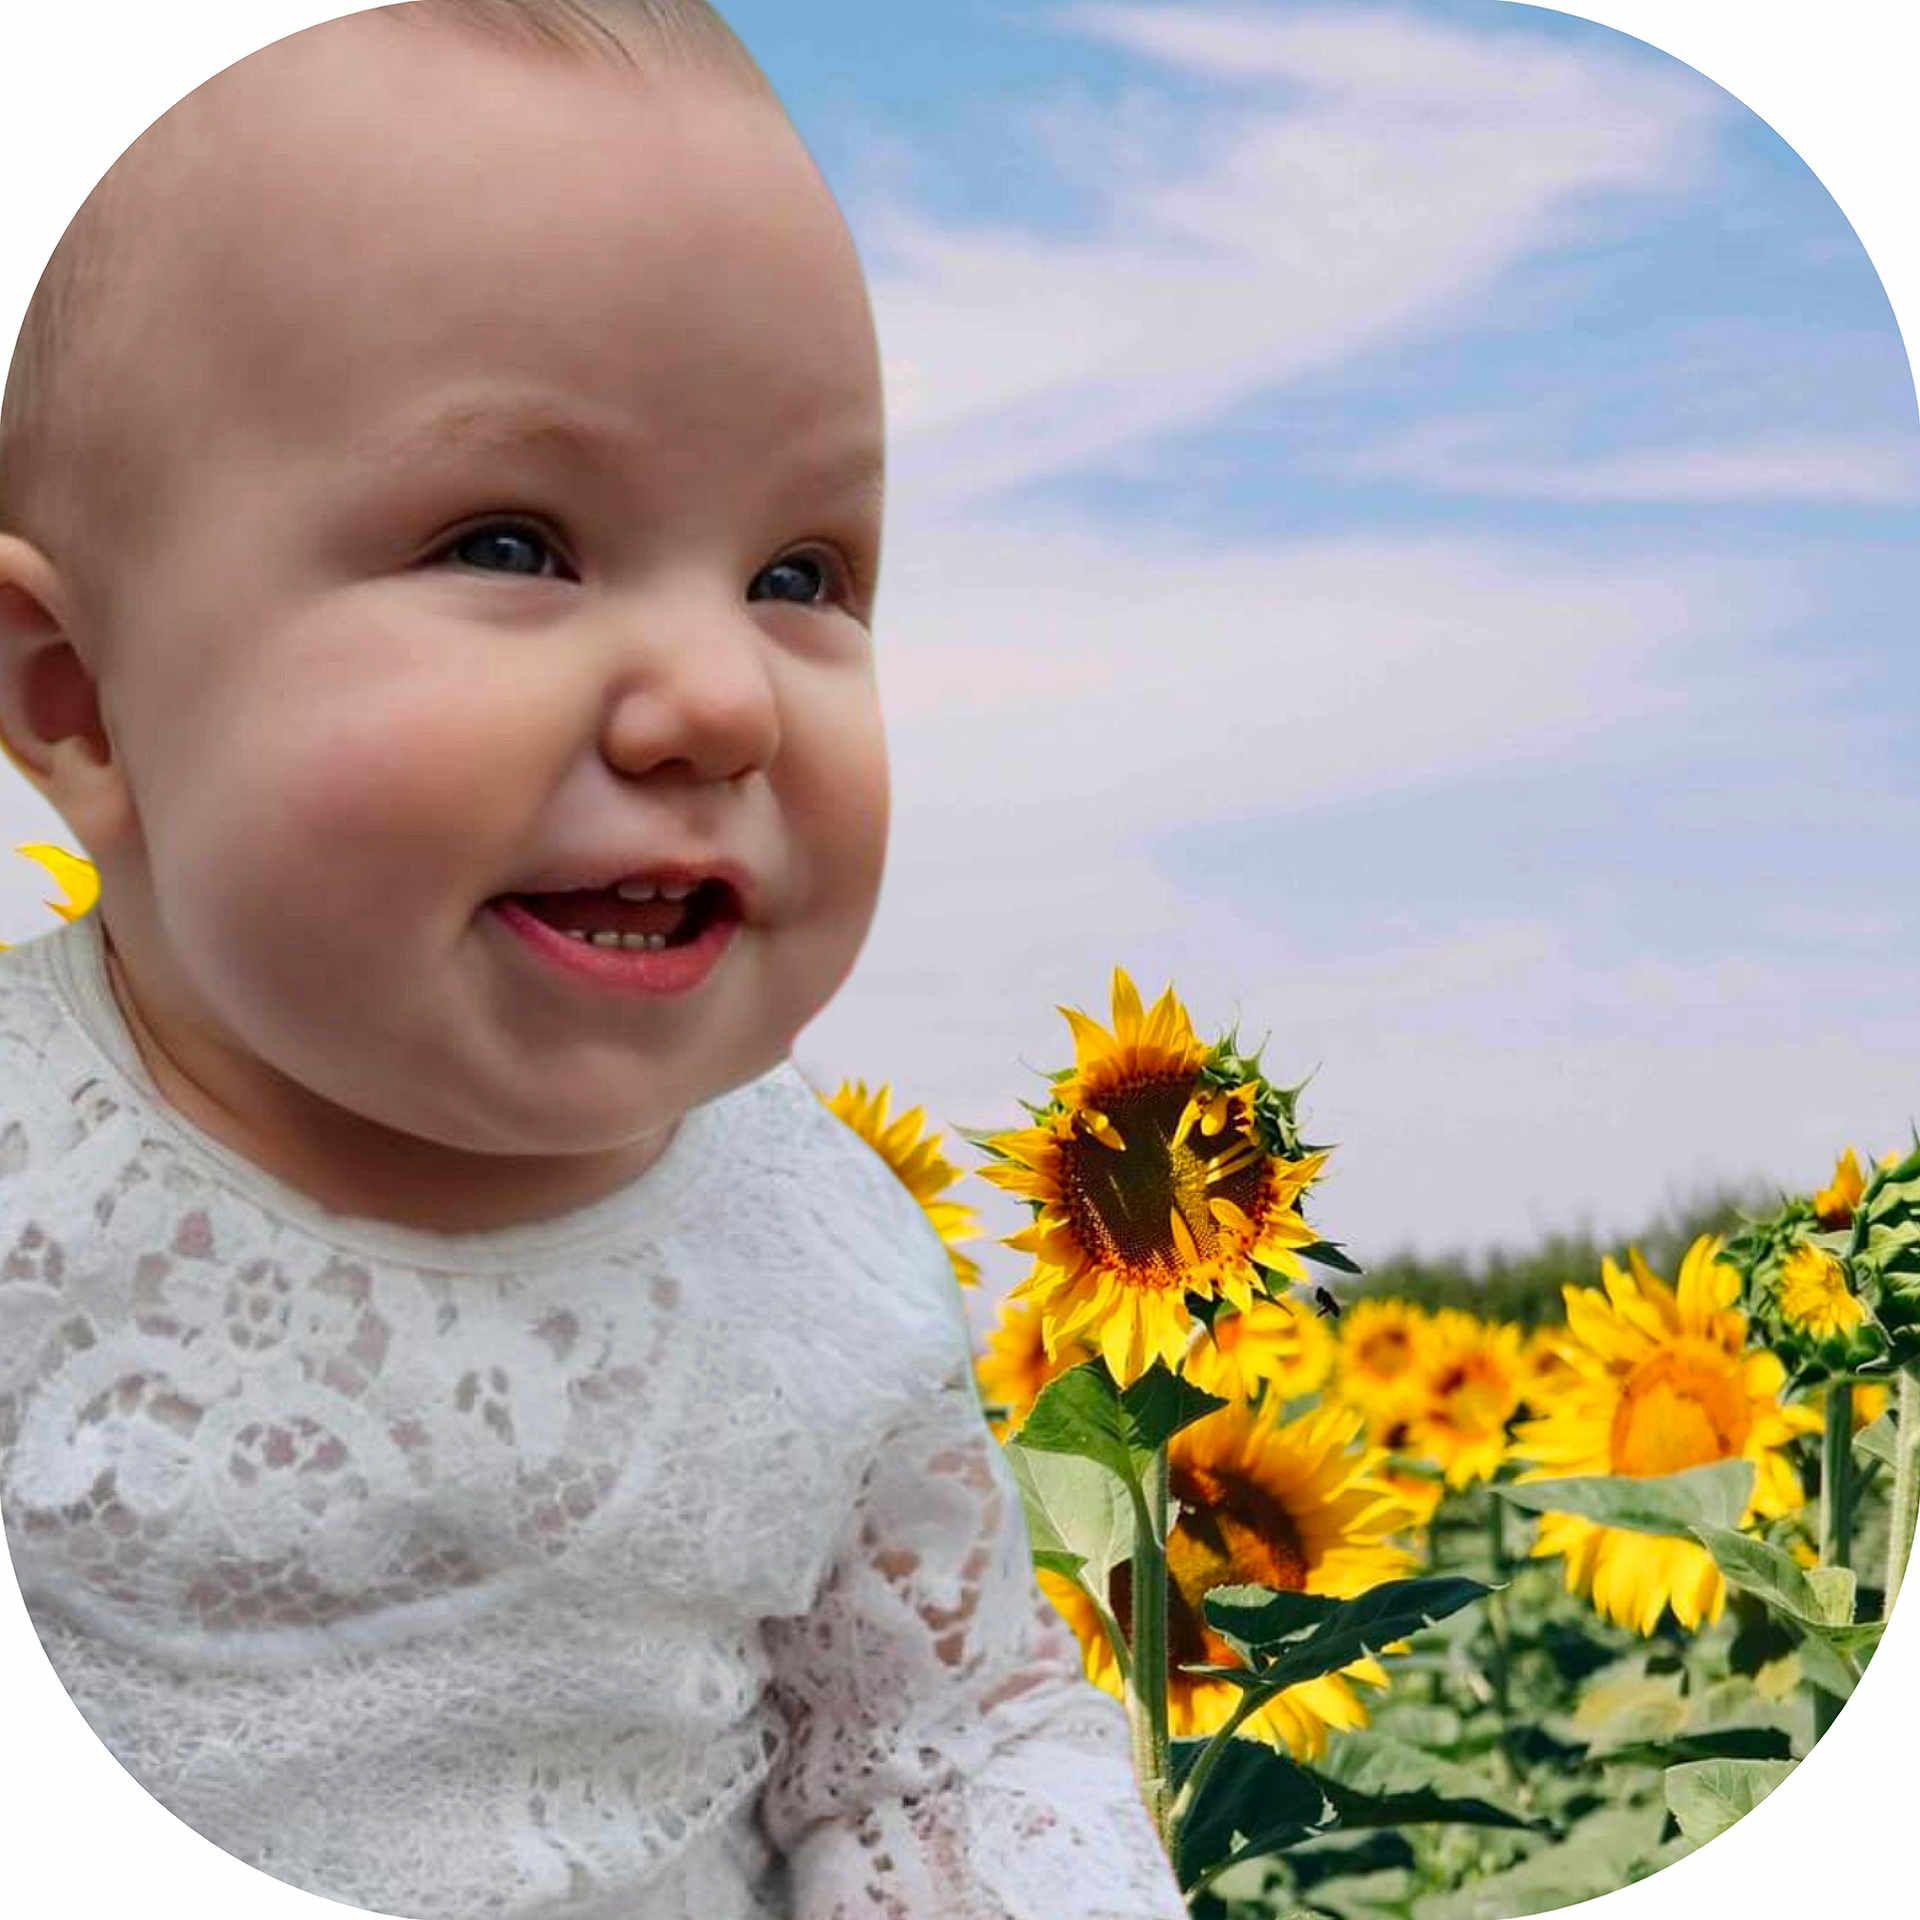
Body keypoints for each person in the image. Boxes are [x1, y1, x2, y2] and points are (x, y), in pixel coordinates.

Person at [0, 3, 1189, 1914]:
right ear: (87, 703)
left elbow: (944, 1743)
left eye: (798, 575)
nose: (717, 696)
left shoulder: (820, 1250)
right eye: (513, 540)